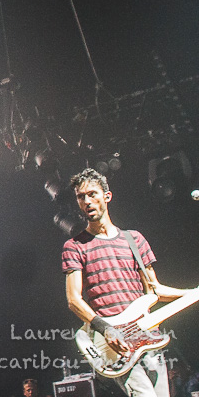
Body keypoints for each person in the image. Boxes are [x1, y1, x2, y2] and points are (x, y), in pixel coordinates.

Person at [62, 168, 188, 397]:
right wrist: (106, 329)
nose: (87, 201)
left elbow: (156, 290)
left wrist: (192, 293)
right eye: (81, 197)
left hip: (148, 335)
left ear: (107, 196)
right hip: (115, 343)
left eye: (92, 194)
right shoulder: (75, 246)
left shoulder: (134, 239)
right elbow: (73, 300)